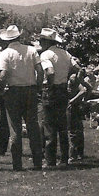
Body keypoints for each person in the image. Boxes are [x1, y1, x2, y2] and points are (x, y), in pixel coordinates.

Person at [0, 25, 44, 171]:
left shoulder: (6, 53)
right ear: (19, 37)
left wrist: (2, 90)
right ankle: (37, 162)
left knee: (15, 129)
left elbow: (2, 76)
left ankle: (17, 164)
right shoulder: (31, 50)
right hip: (30, 90)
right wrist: (38, 87)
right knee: (33, 127)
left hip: (14, 91)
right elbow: (39, 71)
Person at [38, 28, 73, 168]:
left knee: (49, 126)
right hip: (63, 89)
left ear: (46, 41)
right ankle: (64, 158)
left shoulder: (45, 55)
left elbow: (50, 72)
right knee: (62, 125)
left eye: (41, 40)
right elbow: (76, 68)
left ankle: (50, 160)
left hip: (52, 90)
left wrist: (49, 86)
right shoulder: (65, 53)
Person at [67, 68, 89, 161]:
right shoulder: (76, 79)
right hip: (76, 106)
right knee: (78, 131)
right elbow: (89, 88)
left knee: (72, 132)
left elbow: (83, 91)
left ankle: (72, 156)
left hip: (73, 107)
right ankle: (79, 154)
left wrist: (72, 101)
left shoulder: (73, 78)